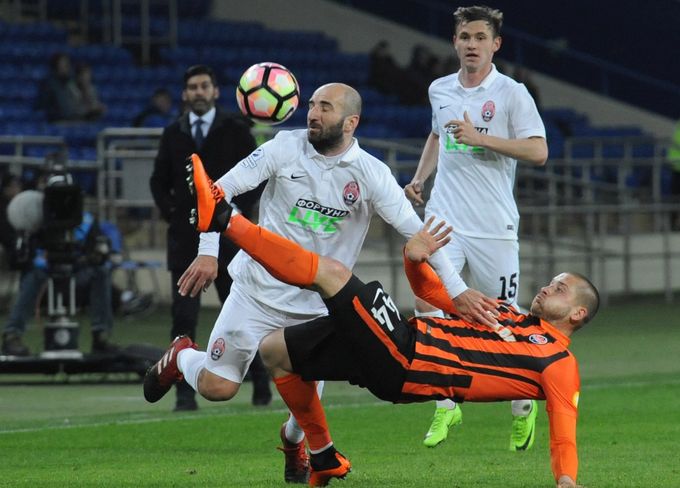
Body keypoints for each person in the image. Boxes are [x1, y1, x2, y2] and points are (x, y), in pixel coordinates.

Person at [146, 171, 597, 487]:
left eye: (559, 289)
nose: (546, 287)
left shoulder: (558, 361)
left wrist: (566, 480)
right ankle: (320, 456)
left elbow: (564, 429)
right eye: (551, 281)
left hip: (407, 359)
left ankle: (225, 219)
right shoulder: (504, 312)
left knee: (333, 274)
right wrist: (413, 258)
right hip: (399, 343)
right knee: (275, 351)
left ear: (577, 314)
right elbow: (432, 293)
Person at [145, 82, 498, 483]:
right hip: (256, 294)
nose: (313, 113)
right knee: (217, 388)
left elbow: (419, 236)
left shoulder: (371, 174)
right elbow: (216, 191)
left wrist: (457, 291)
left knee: (304, 410)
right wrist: (208, 251)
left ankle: (293, 443)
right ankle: (182, 356)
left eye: (325, 107)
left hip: (317, 309)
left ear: (351, 122)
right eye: (312, 105)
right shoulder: (284, 147)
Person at [403, 5, 549, 449]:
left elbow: (539, 151)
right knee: (427, 299)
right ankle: (446, 403)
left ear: (495, 44)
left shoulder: (511, 93)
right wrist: (420, 178)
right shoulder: (440, 88)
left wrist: (481, 138)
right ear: (454, 42)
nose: (472, 44)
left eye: (480, 37)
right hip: (445, 218)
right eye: (465, 37)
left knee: (502, 317)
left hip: (493, 224)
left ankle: (523, 405)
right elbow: (437, 134)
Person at [149, 65, 270, 411]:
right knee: (183, 318)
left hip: (231, 240)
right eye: (193, 87)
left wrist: (233, 215)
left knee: (242, 317)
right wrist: (174, 212)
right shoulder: (173, 132)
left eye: (204, 86)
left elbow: (257, 177)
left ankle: (261, 387)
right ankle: (184, 395)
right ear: (185, 94)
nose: (199, 92)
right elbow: (158, 181)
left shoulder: (236, 129)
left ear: (215, 91)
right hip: (186, 242)